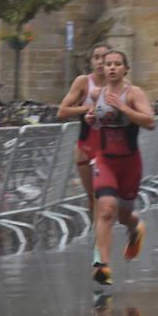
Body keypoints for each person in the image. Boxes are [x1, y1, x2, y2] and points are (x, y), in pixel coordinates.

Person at [87, 49, 155, 286]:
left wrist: (125, 109)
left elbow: (150, 122)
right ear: (103, 69)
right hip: (104, 160)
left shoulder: (134, 93)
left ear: (126, 68)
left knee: (124, 215)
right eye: (108, 64)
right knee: (106, 209)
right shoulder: (98, 94)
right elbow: (94, 115)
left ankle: (135, 227)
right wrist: (90, 118)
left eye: (117, 64)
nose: (112, 68)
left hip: (129, 163)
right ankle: (101, 265)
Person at [57, 42, 112, 240]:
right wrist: (85, 109)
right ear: (91, 61)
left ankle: (101, 236)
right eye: (96, 57)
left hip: (109, 148)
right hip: (85, 147)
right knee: (93, 197)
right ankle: (99, 235)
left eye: (104, 57)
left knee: (104, 196)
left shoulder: (119, 84)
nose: (100, 61)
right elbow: (62, 111)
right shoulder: (83, 82)